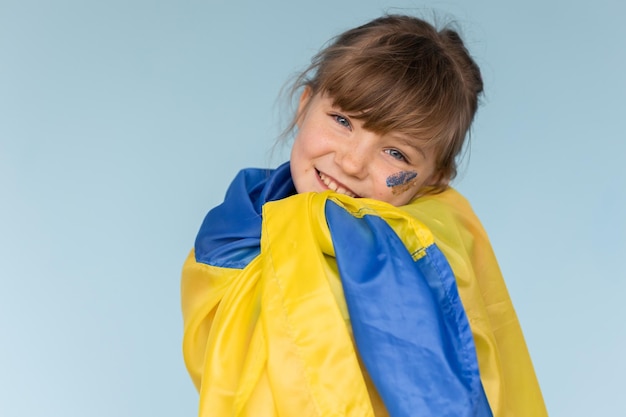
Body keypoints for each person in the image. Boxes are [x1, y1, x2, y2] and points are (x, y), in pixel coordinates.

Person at [181, 14, 547, 417]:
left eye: (396, 153)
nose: (353, 163)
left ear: (434, 179)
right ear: (304, 106)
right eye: (342, 121)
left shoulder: (423, 252)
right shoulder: (243, 224)